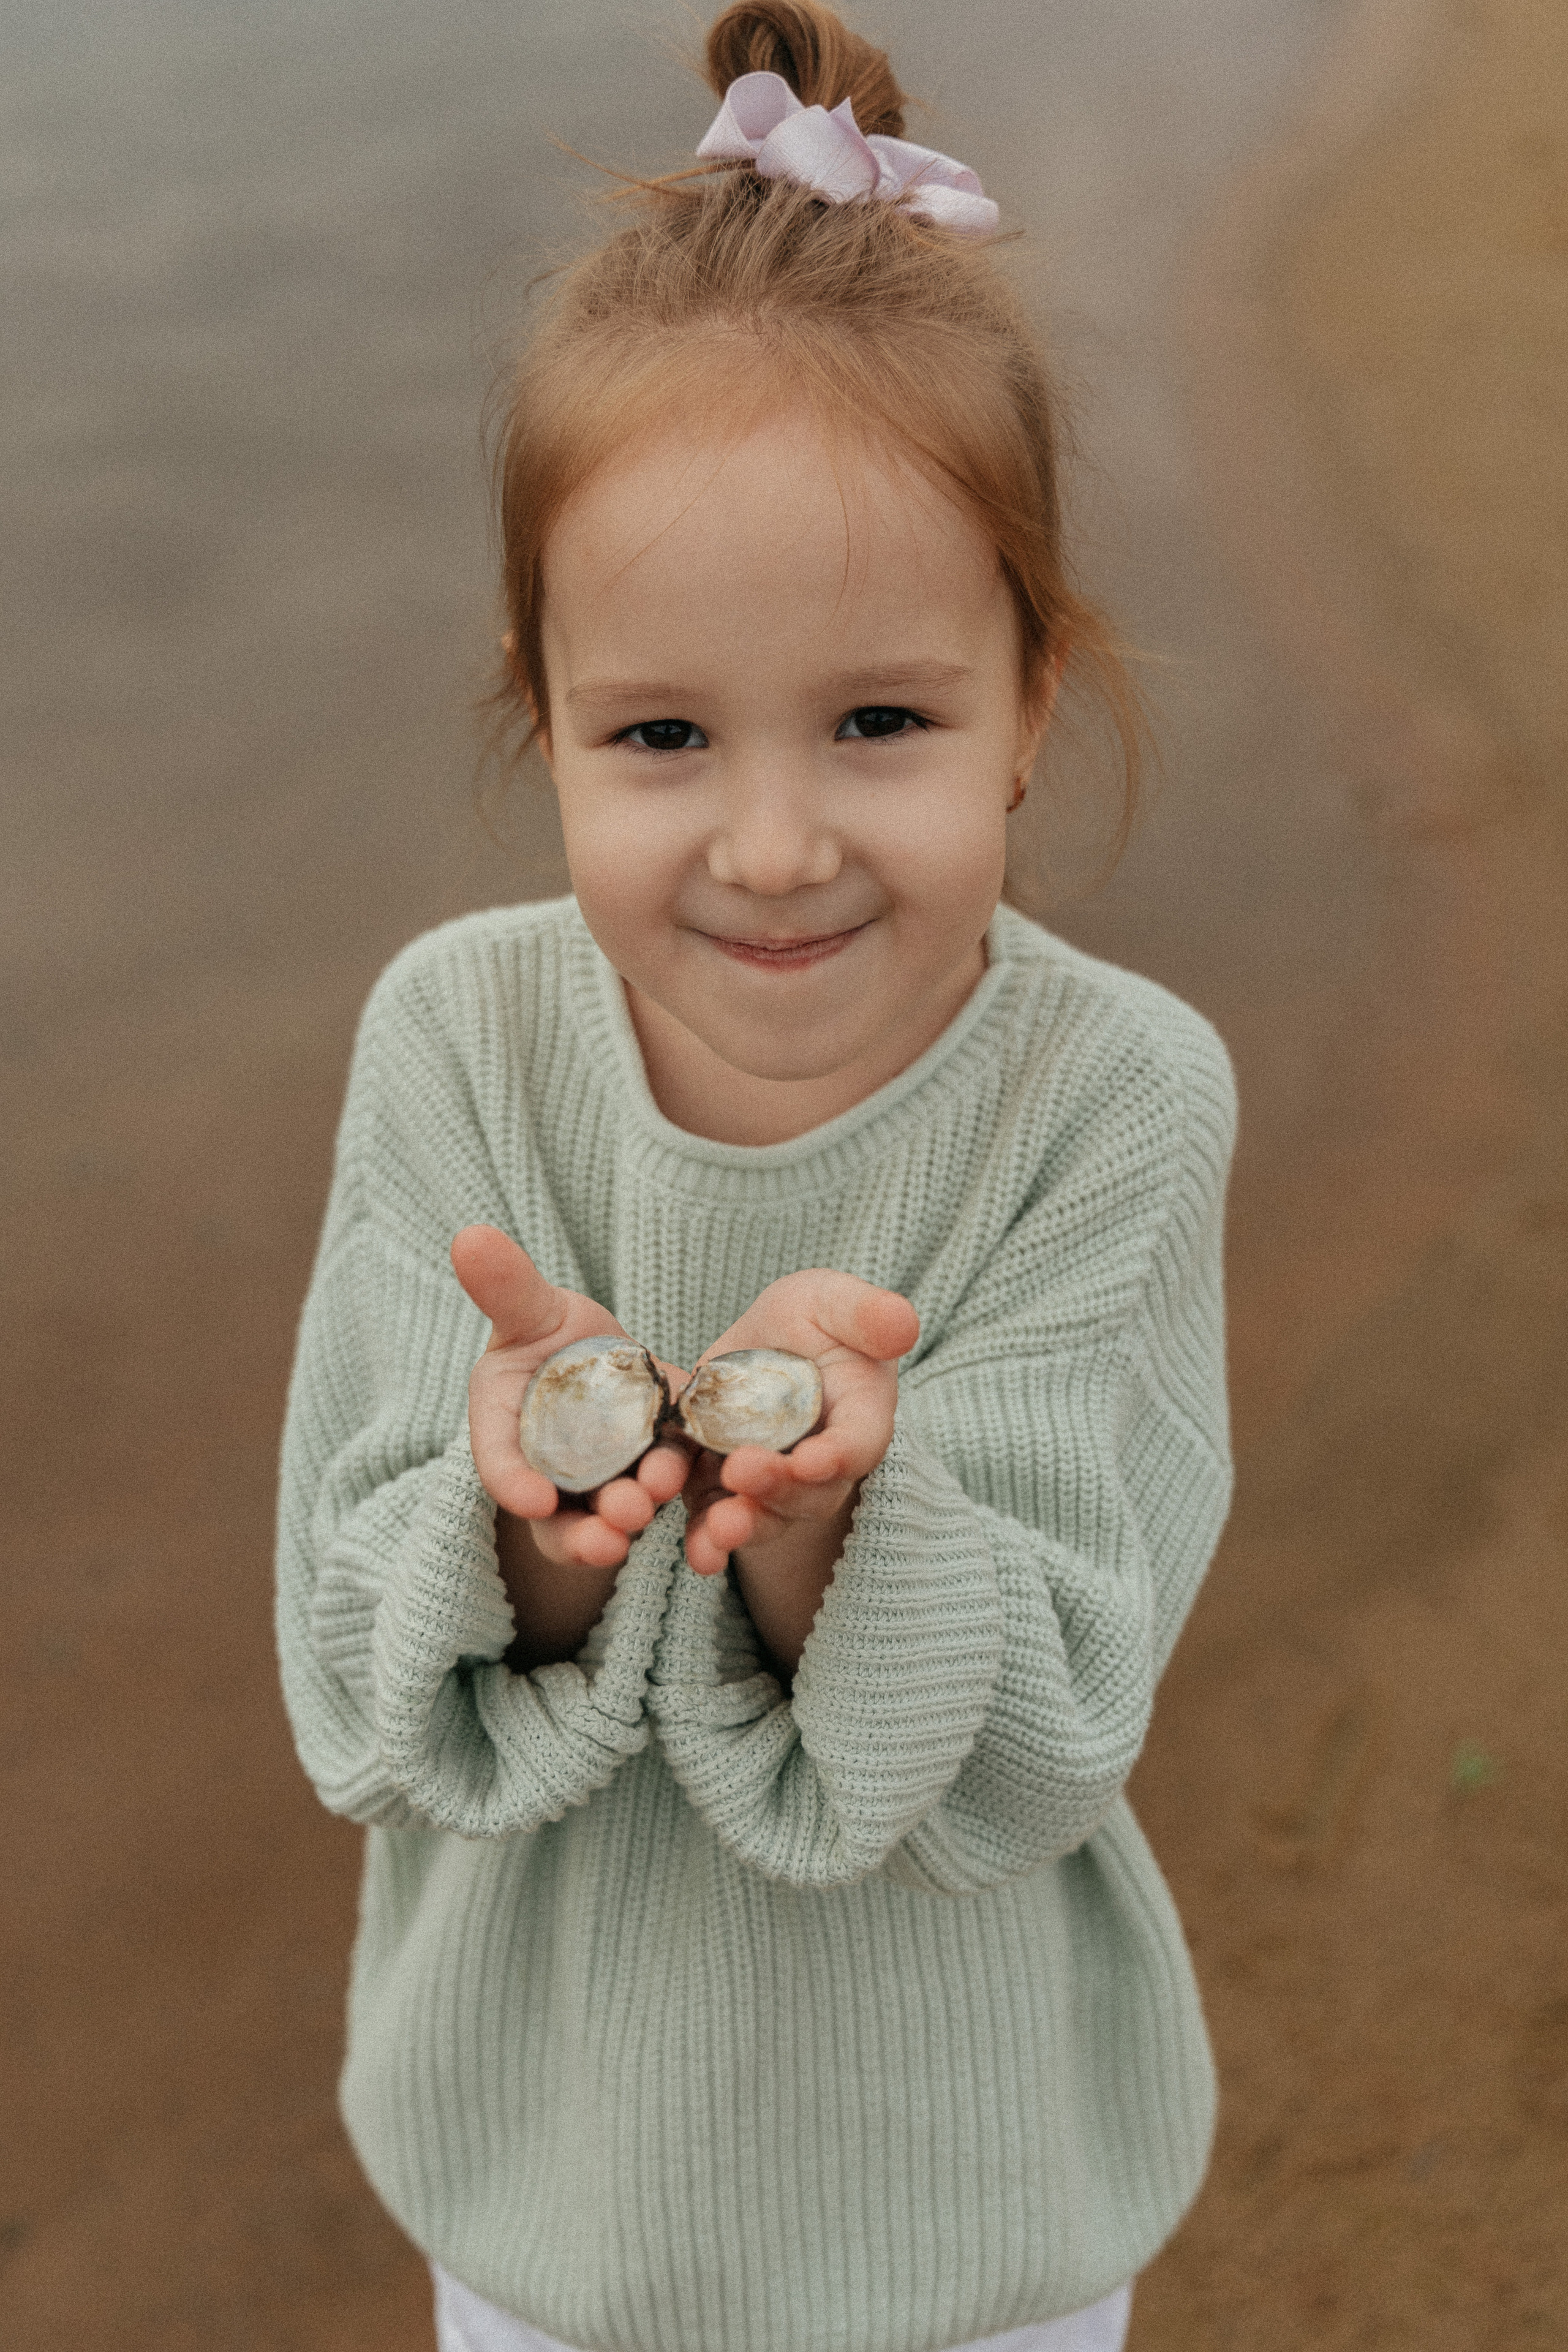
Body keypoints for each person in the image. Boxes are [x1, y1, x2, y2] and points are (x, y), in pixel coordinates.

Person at [275, 6, 1236, 2348]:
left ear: (1034, 693)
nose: (776, 841)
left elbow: (1040, 1730)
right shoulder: (459, 1042)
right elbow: (346, 1677)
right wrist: (527, 1522)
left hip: (967, 2202)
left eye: (883, 719)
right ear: (546, 708)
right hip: (550, 2196)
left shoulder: (1112, 1098)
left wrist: (822, 1516)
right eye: (665, 735)